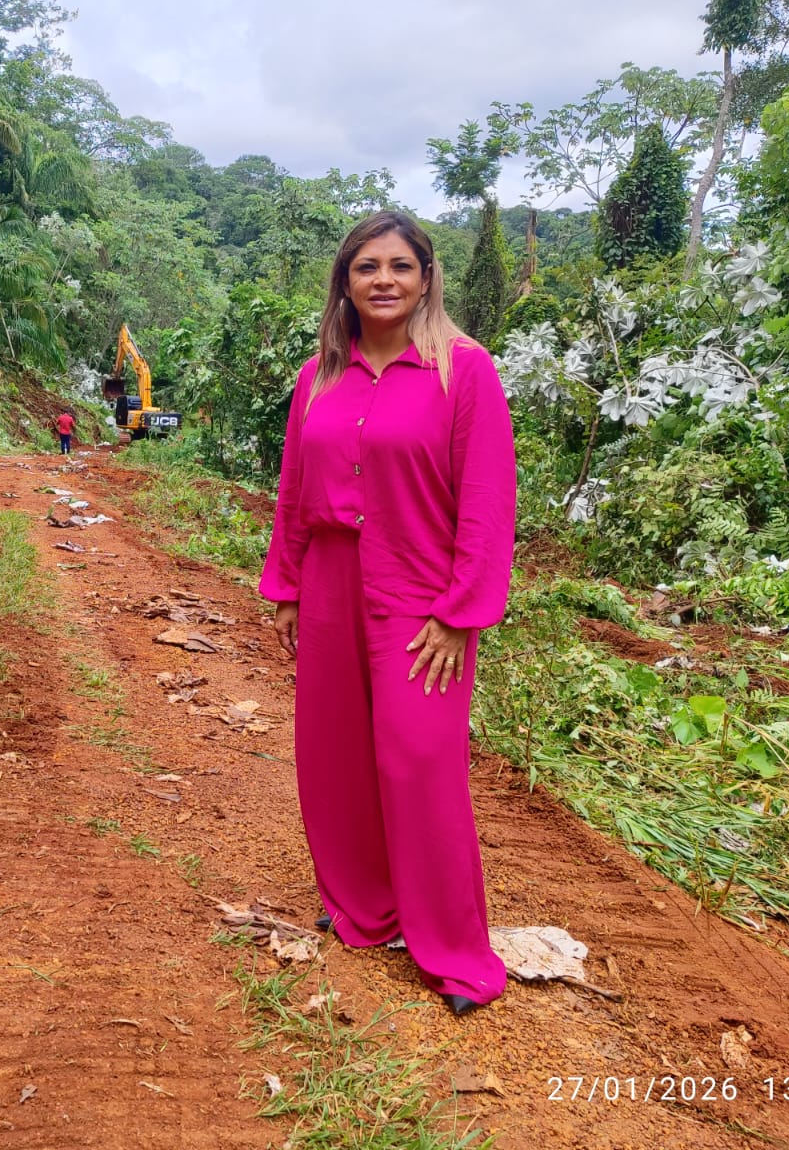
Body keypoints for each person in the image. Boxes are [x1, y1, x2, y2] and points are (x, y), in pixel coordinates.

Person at [259, 210, 517, 1016]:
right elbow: (296, 490)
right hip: (332, 579)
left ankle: (456, 955)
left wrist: (460, 613)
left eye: (400, 265)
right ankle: (366, 913)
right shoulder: (319, 377)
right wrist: (291, 585)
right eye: (366, 266)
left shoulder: (462, 370)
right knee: (332, 753)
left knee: (419, 763)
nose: (383, 280)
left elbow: (486, 498)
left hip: (420, 590)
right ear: (345, 282)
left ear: (426, 277)